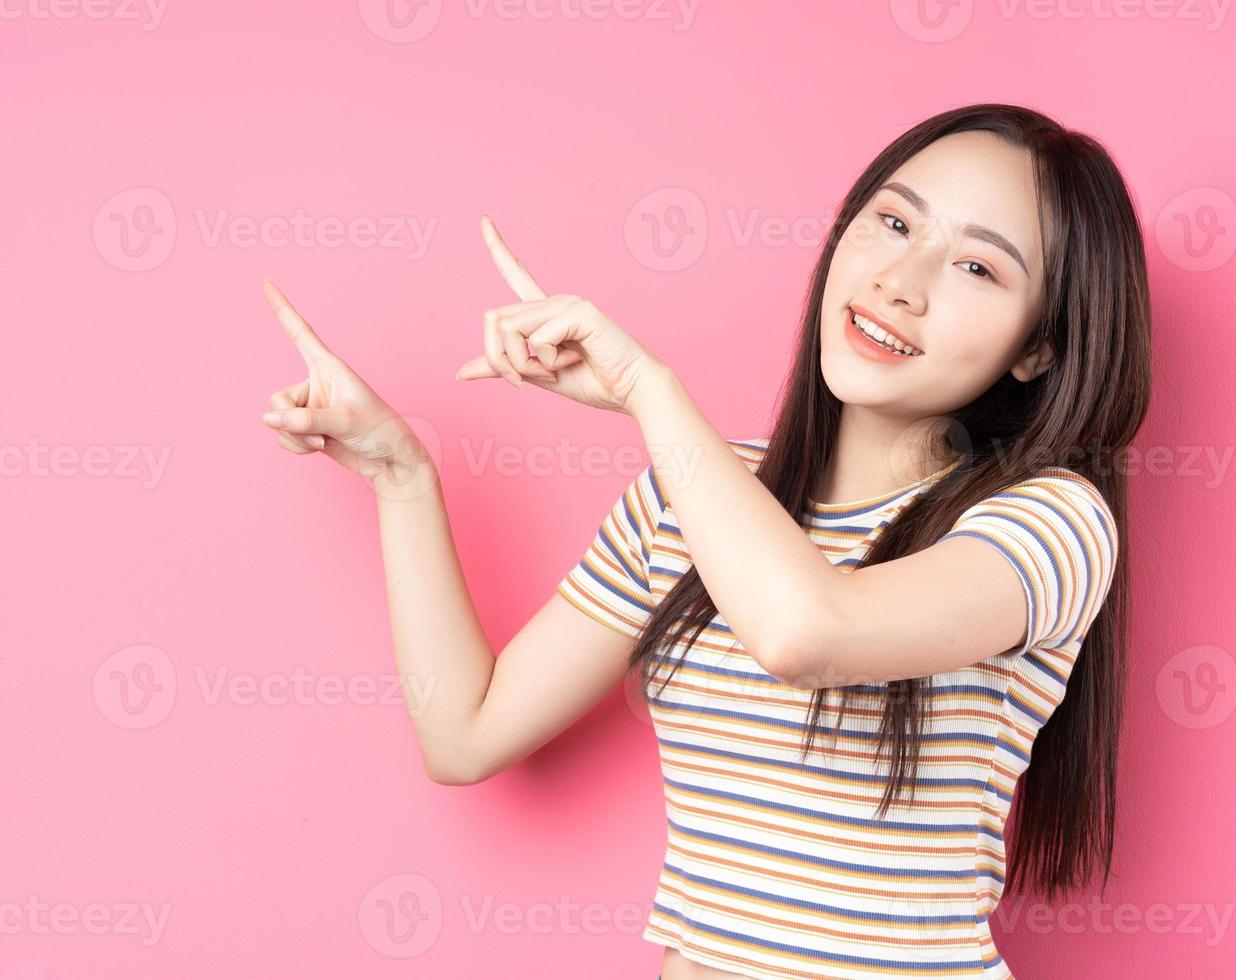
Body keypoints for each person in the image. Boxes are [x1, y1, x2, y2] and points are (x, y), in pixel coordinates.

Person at [259, 102, 1152, 980]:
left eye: (976, 268)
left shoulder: (1053, 522)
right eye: (892, 222)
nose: (900, 282)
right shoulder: (692, 498)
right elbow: (464, 734)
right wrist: (400, 478)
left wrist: (650, 390)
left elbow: (808, 634)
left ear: (1037, 348)